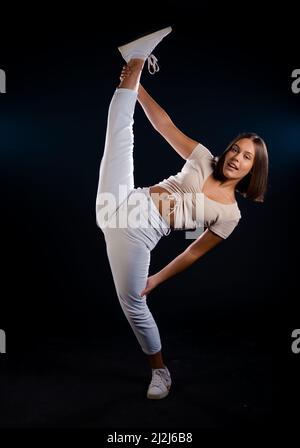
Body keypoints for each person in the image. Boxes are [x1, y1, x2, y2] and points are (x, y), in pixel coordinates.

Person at [95, 26, 269, 400]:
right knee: (119, 131)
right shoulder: (204, 158)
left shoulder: (230, 215)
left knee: (133, 306)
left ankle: (160, 372)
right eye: (236, 150)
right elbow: (164, 124)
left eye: (246, 157)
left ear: (254, 169)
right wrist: (136, 85)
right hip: (123, 199)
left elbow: (193, 251)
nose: (237, 158)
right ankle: (137, 60)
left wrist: (157, 279)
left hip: (137, 232)